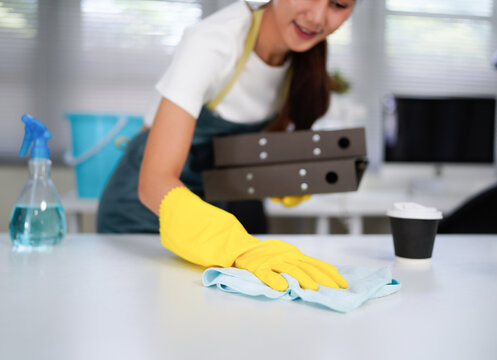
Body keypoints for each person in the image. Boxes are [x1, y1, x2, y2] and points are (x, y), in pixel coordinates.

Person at [97, 0, 356, 291]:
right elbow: (154, 181)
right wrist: (239, 247)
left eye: (339, 4)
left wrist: (279, 178)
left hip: (210, 221)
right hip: (143, 217)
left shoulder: (299, 59)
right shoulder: (213, 41)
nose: (318, 17)